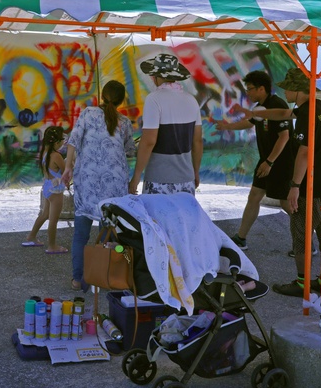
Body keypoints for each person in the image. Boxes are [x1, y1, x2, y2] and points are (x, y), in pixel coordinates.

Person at [251, 67, 321, 298]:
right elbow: (284, 115)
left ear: (297, 89)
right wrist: (256, 114)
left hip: (313, 188)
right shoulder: (319, 107)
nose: (283, 90)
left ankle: (302, 284)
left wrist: (294, 187)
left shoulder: (306, 115)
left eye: (287, 87)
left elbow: (304, 153)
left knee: (301, 233)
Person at [61, 80, 136, 291]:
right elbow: (130, 150)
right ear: (122, 100)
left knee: (80, 235)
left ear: (102, 96)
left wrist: (68, 168)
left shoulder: (87, 113)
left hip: (87, 184)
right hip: (114, 187)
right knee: (108, 234)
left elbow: (73, 141)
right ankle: (101, 278)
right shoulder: (125, 123)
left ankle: (78, 280)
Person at [215, 70, 295, 250]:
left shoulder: (277, 105)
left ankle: (306, 242)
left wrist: (270, 162)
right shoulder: (260, 108)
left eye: (250, 89)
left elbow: (284, 137)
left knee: (286, 203)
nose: (248, 93)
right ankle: (241, 238)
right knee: (254, 197)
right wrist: (227, 126)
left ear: (262, 88)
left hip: (281, 163)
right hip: (266, 161)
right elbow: (249, 123)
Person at [129, 53, 203, 195]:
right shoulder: (191, 100)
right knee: (184, 217)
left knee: (156, 218)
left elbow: (149, 141)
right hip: (187, 180)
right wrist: (196, 172)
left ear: (157, 76)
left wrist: (136, 176)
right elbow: (197, 141)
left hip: (159, 180)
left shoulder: (154, 99)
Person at [23, 125, 68, 254]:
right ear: (57, 142)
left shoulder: (45, 152)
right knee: (53, 220)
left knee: (45, 214)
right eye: (61, 141)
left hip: (47, 187)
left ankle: (31, 237)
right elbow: (66, 172)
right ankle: (52, 246)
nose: (62, 144)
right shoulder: (56, 156)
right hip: (55, 191)